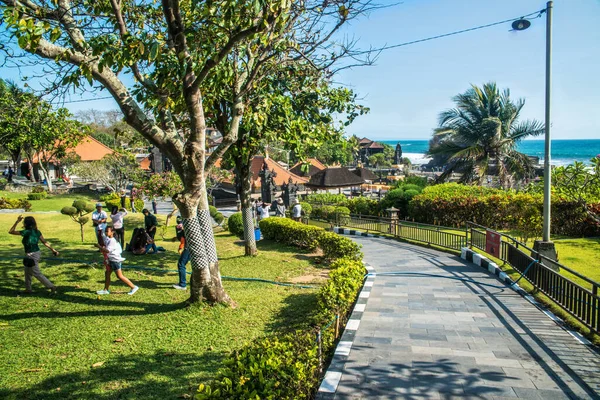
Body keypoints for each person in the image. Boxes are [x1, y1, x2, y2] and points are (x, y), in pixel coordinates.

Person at [9, 215, 59, 294]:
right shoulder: (37, 231)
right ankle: (28, 289)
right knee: (27, 272)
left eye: (24, 222)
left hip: (32, 255)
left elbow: (11, 231)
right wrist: (53, 250)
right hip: (34, 253)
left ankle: (52, 287)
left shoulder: (27, 232)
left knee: (36, 272)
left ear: (26, 224)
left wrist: (17, 221)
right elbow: (44, 242)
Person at [96, 227, 139, 295]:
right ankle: (105, 290)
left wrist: (99, 247)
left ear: (112, 232)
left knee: (119, 276)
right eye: (106, 231)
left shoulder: (112, 240)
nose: (106, 232)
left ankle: (133, 287)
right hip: (111, 260)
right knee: (107, 274)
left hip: (115, 261)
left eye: (107, 231)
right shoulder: (108, 239)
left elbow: (108, 250)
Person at [173, 216, 189, 290]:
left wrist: (180, 248)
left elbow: (182, 240)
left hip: (188, 248)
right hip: (195, 247)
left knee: (181, 264)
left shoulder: (183, 229)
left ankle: (182, 285)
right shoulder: (189, 226)